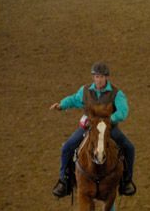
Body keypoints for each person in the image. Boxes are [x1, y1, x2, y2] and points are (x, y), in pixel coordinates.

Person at [50, 62, 136, 198]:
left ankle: (126, 181)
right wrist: (61, 105)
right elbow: (74, 99)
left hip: (108, 128)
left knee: (129, 147)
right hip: (89, 128)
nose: (99, 79)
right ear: (93, 77)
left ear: (106, 78)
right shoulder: (85, 91)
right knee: (67, 147)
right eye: (97, 76)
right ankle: (64, 180)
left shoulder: (116, 93)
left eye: (102, 77)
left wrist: (107, 120)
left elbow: (123, 111)